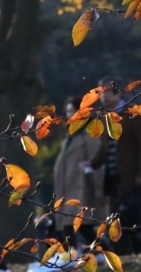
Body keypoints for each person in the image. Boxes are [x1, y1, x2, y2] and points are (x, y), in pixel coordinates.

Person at [80, 76, 141, 255]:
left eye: (105, 92)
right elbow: (105, 149)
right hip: (112, 177)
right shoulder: (107, 118)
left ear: (117, 92)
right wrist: (92, 163)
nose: (102, 97)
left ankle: (124, 254)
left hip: (130, 176)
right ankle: (135, 252)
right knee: (117, 218)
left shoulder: (134, 114)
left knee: (121, 218)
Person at [53, 95, 107, 247]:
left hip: (82, 192)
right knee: (74, 228)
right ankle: (100, 253)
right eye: (68, 111)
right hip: (67, 191)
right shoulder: (69, 138)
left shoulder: (89, 137)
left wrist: (100, 192)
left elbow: (98, 165)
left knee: (74, 228)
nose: (69, 115)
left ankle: (102, 253)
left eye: (72, 111)